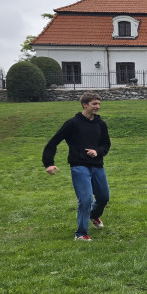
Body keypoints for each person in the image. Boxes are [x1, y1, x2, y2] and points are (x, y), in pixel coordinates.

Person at [42, 92, 111, 241]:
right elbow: (53, 143)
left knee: (104, 197)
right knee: (85, 199)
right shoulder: (72, 123)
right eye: (94, 104)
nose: (97, 107)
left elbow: (106, 144)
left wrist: (97, 152)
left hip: (97, 165)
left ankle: (93, 215)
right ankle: (81, 233)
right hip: (79, 165)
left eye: (99, 104)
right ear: (84, 105)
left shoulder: (101, 124)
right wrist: (49, 163)